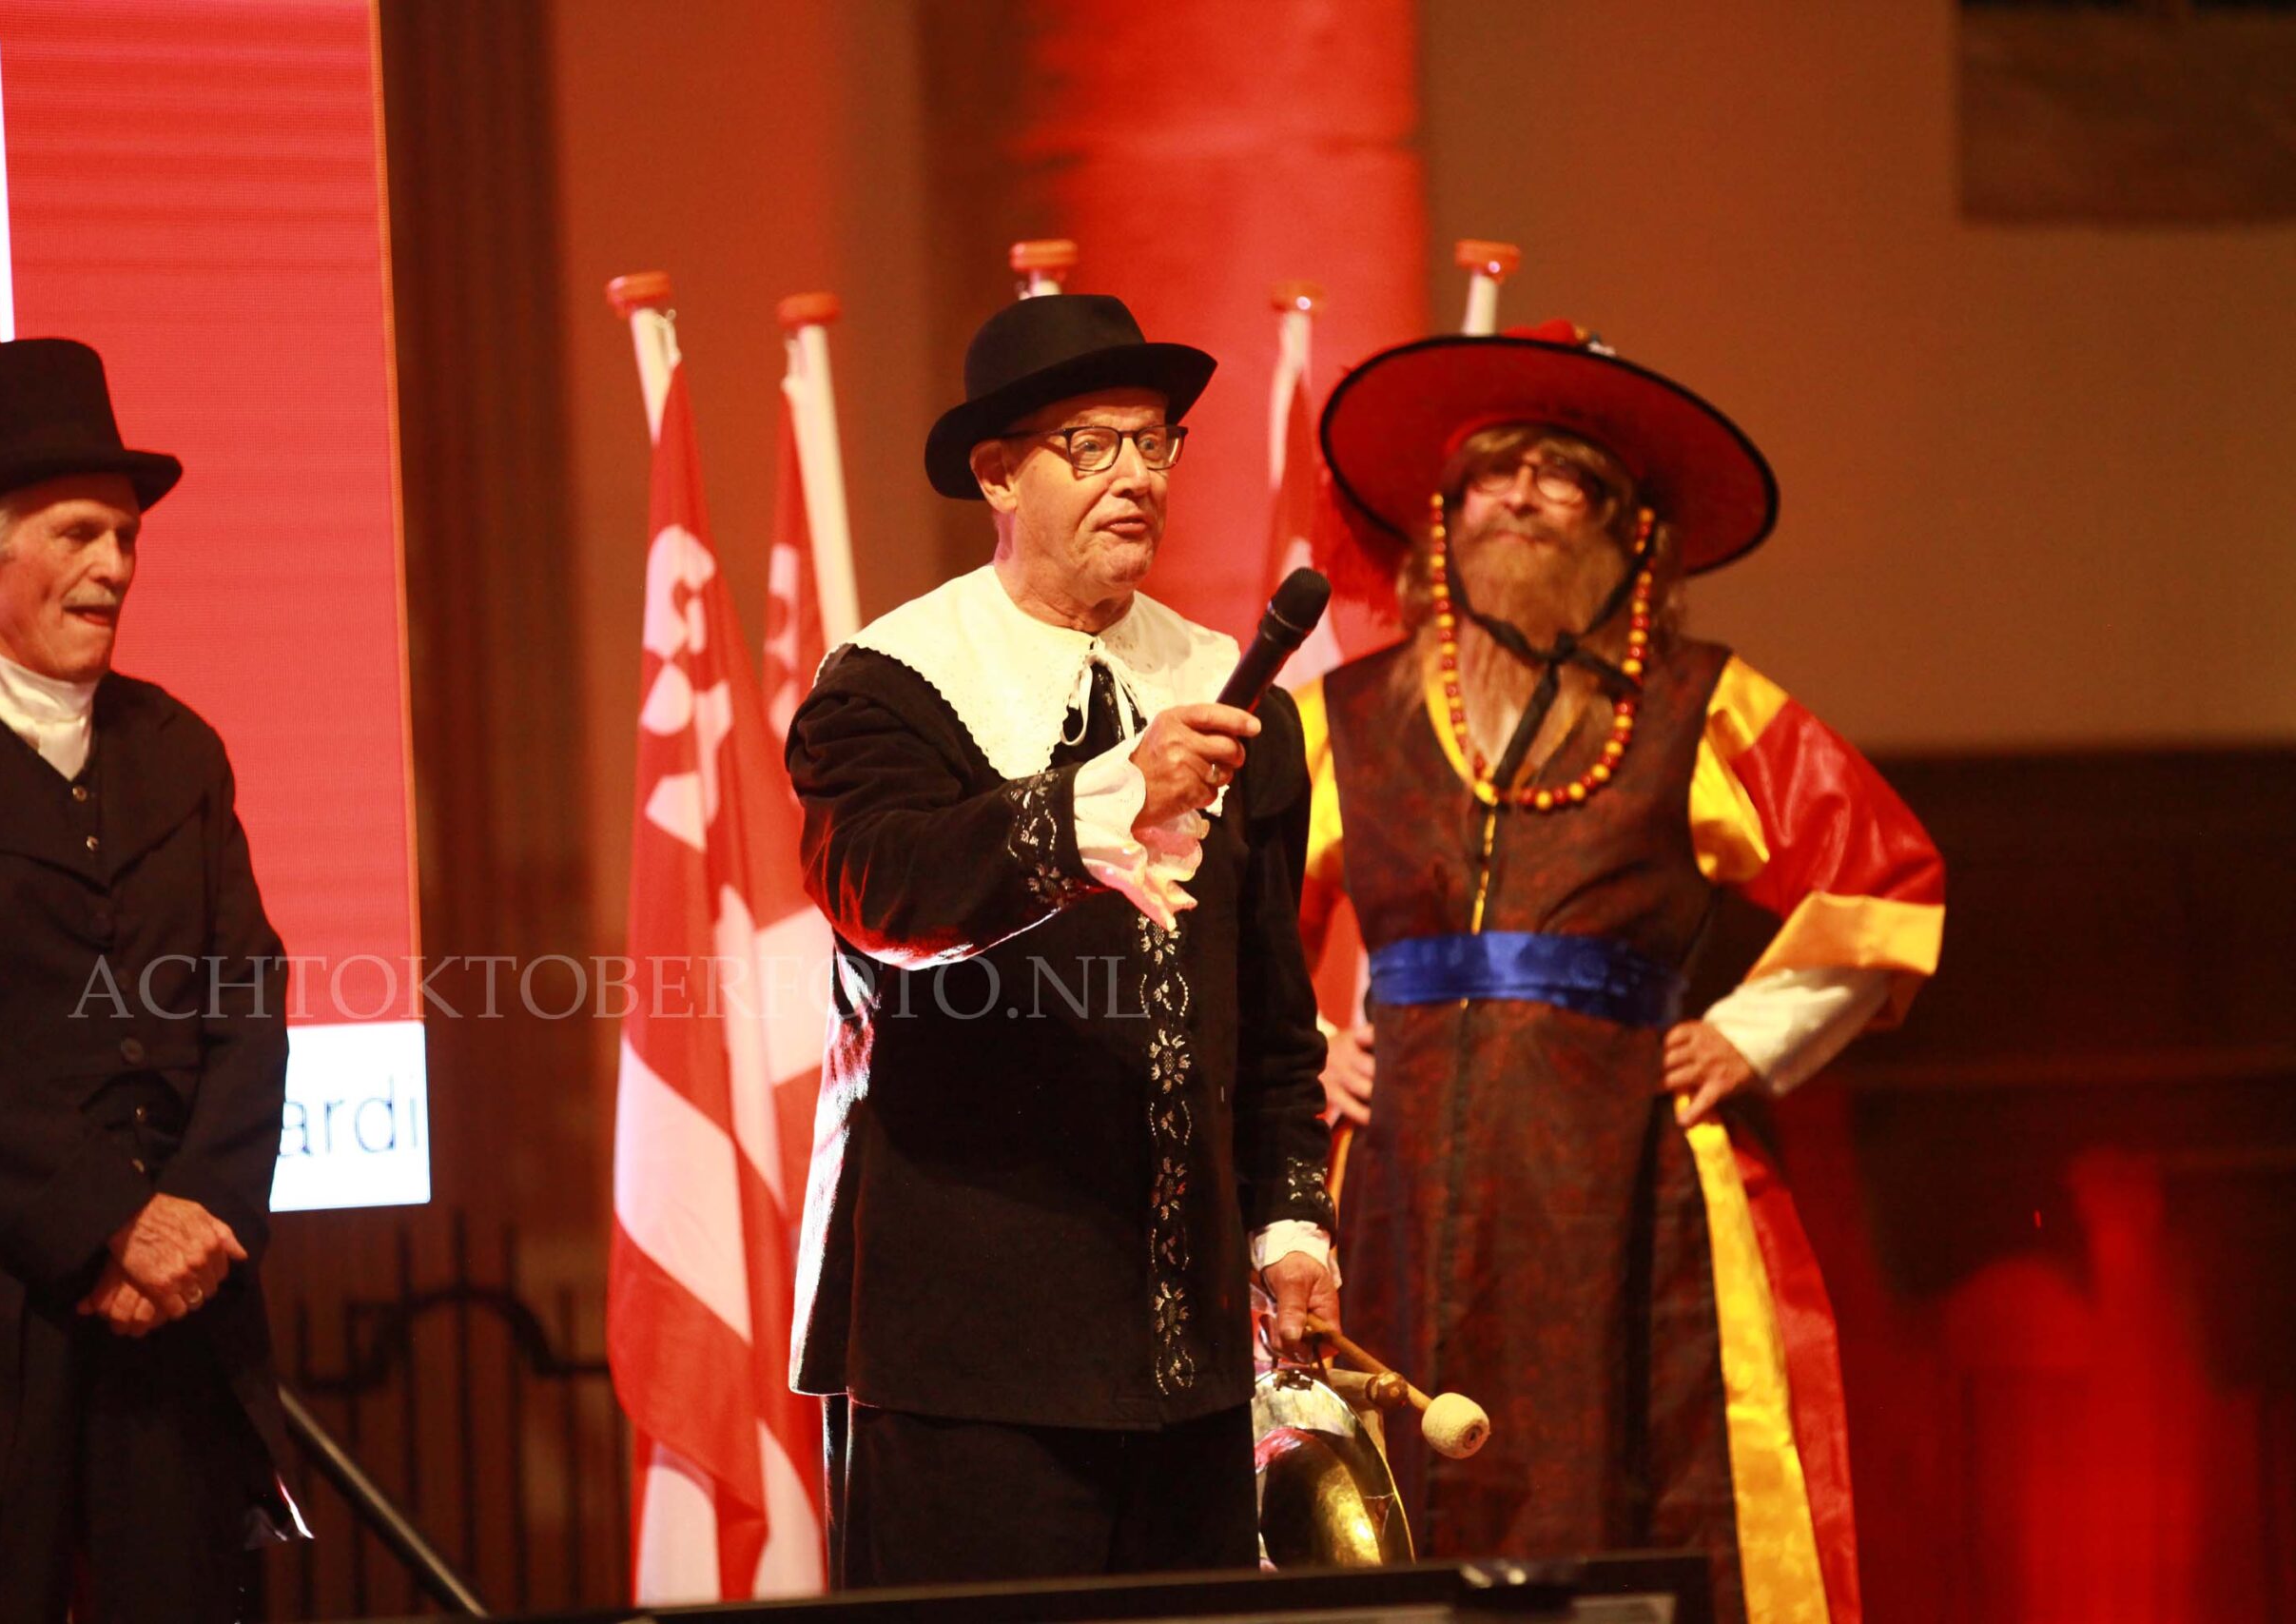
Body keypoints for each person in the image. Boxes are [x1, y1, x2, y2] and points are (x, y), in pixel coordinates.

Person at [1299, 321, 1945, 1623]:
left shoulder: (1703, 704)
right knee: (1390, 1502)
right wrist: (1307, 1045)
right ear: (1445, 519)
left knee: (1630, 1484)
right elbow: (1203, 911)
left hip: (1627, 1188)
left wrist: (1754, 1034)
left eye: (1564, 475)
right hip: (1395, 1188)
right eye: (1493, 472)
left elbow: (1883, 882)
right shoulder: (1343, 718)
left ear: (1629, 530)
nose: (1523, 495)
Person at [786, 293, 1339, 1586]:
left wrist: (1291, 1227)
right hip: (967, 1363)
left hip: (1189, 1364)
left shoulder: (1229, 691)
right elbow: (883, 892)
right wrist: (1108, 799)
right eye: (1091, 445)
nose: (1136, 475)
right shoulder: (888, 685)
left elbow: (1271, 1022)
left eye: (1156, 442)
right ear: (998, 474)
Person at [0, 339, 296, 1621]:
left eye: (125, 537)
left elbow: (248, 995)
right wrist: (109, 1220)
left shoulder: (180, 749)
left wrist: (198, 1215)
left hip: (178, 1329)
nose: (116, 566)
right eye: (79, 534)